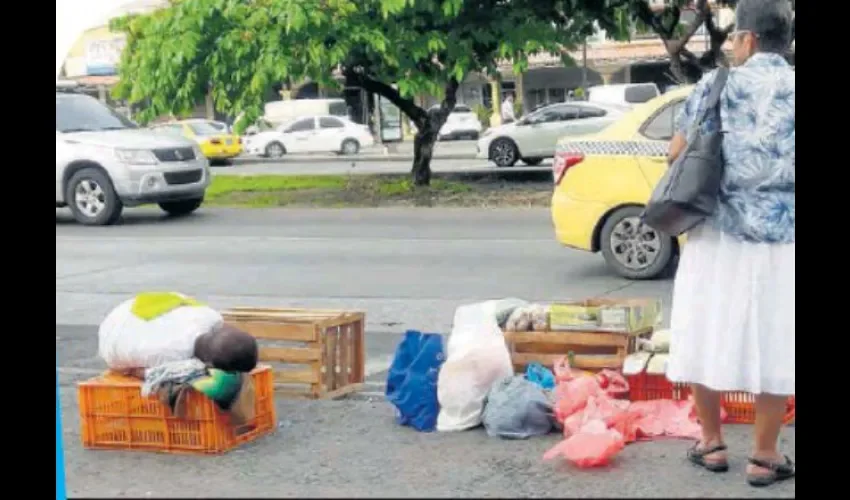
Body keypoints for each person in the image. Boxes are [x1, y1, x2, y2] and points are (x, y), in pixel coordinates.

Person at [664, 0, 794, 488]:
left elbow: (678, 152)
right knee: (778, 338)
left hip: (716, 235)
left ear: (748, 39)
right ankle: (764, 455)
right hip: (783, 240)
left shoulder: (717, 84)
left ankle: (713, 443)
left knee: (704, 329)